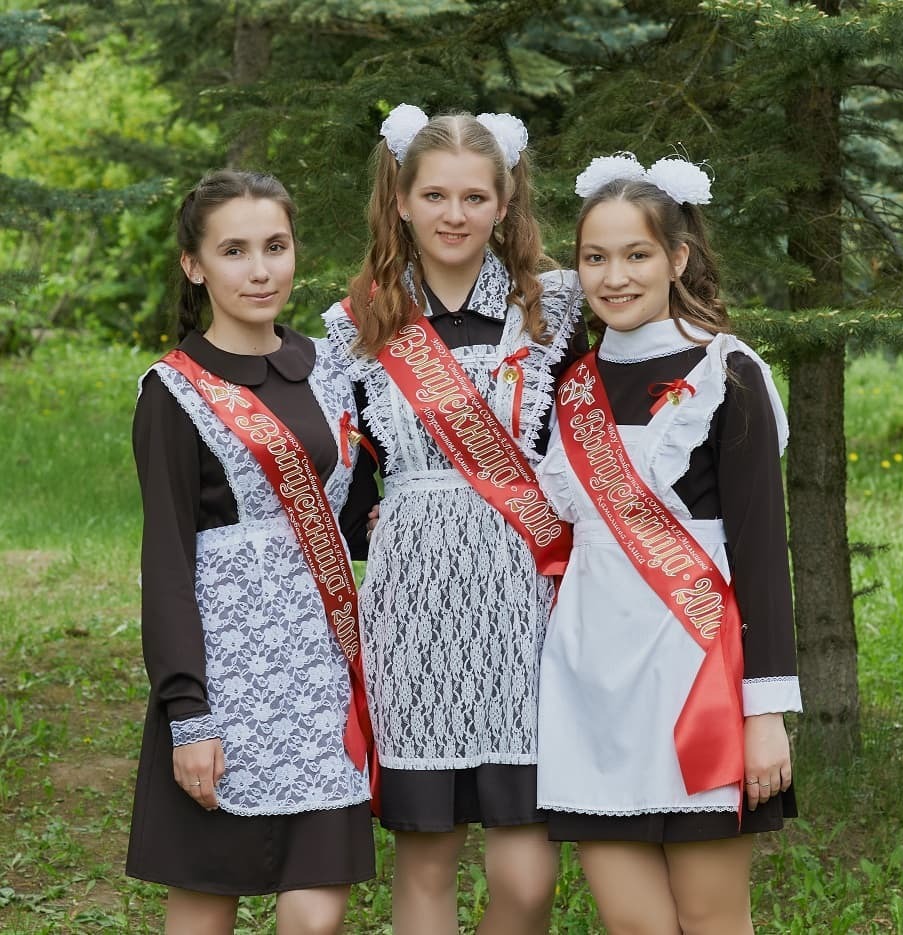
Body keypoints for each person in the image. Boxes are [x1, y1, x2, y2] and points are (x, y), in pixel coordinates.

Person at [324, 104, 584, 935]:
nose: (454, 215)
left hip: (524, 598)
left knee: (525, 865)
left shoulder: (558, 312)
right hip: (411, 597)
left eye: (475, 197)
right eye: (435, 195)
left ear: (504, 204)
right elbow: (342, 479)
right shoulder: (353, 325)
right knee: (427, 852)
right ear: (398, 199)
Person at [535, 153, 802, 935]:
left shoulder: (730, 372)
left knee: (712, 922)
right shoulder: (572, 381)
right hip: (588, 686)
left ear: (677, 257)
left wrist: (765, 713)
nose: (613, 276)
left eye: (636, 254)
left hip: (697, 681)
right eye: (594, 257)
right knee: (635, 925)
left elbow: (759, 552)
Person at [126, 169, 377, 935]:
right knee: (205, 905)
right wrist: (188, 714)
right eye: (234, 250)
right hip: (225, 677)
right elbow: (166, 562)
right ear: (194, 266)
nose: (260, 268)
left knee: (316, 914)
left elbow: (360, 513)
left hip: (321, 669)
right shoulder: (174, 392)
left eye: (275, 245)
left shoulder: (329, 365)